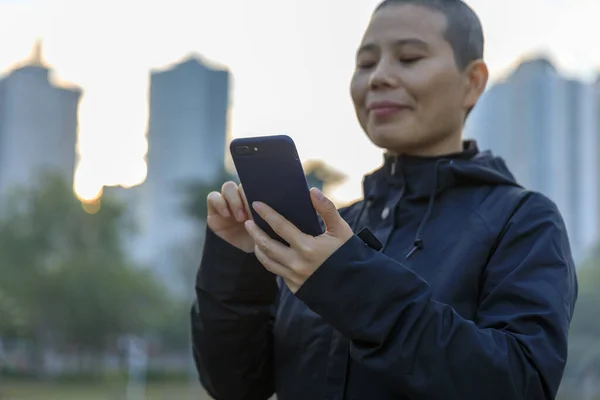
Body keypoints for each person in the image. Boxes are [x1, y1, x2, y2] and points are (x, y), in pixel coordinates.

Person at [191, 0, 578, 399]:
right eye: (365, 63)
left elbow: (520, 384)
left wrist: (346, 282)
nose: (378, 78)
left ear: (473, 81)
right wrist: (237, 264)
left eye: (408, 58)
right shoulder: (328, 233)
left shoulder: (522, 220)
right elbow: (236, 386)